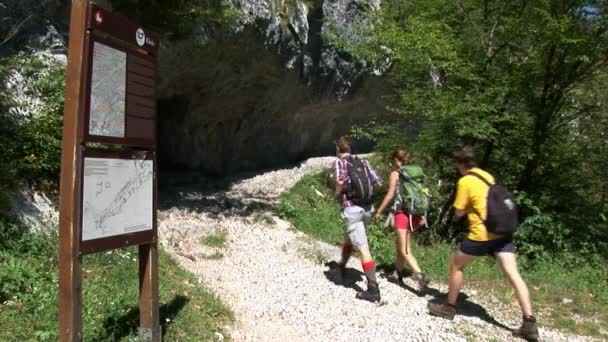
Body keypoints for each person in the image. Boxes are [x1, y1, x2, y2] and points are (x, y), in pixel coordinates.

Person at [428, 145, 539, 340]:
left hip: (481, 234)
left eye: (456, 164)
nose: (456, 168)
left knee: (456, 265)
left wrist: (457, 216)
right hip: (502, 232)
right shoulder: (487, 176)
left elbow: (460, 211)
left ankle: (449, 307)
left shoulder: (465, 181)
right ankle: (529, 323)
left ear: (460, 163)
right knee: (513, 274)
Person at [331, 136, 383, 302]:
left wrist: (338, 193)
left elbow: (339, 182)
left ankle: (373, 288)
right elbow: (379, 182)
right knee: (350, 238)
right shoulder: (364, 162)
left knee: (362, 247)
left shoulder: (339, 163)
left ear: (338, 150)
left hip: (351, 208)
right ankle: (341, 266)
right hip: (367, 208)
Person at [371, 149, 430, 288]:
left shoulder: (396, 174)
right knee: (400, 246)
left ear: (396, 160)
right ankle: (397, 274)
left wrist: (379, 211)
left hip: (402, 214)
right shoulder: (415, 172)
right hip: (415, 214)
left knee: (405, 250)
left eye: (393, 160)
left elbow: (390, 195)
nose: (392, 163)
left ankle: (421, 275)